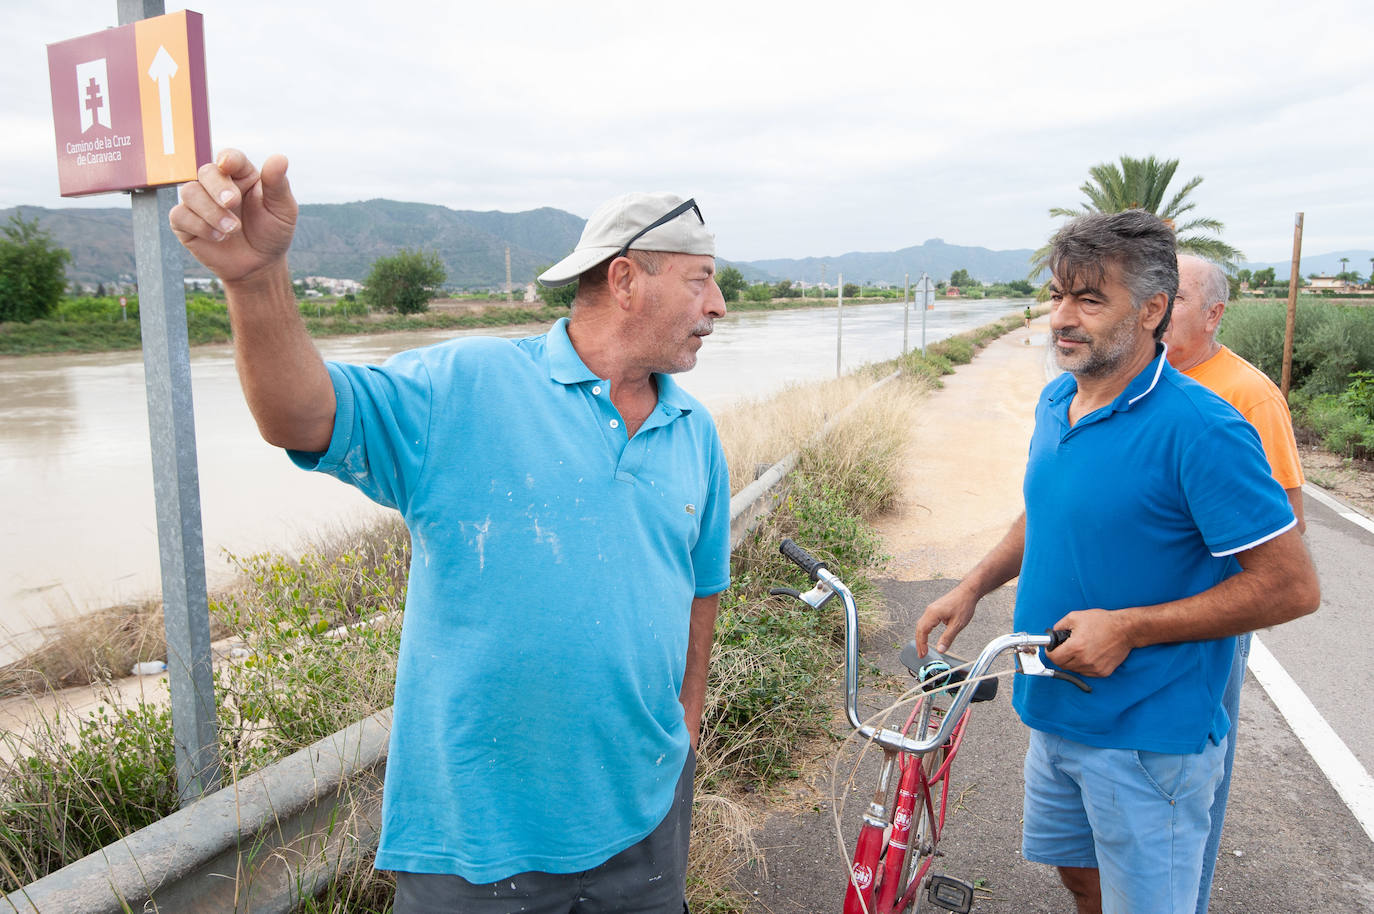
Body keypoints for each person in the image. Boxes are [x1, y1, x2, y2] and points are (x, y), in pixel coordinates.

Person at [169, 150, 732, 913]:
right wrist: (255, 278)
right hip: (476, 846)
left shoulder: (693, 431)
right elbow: (300, 416)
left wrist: (684, 732)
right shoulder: (467, 386)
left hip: (645, 825)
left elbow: (701, 591)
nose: (719, 304)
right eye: (701, 279)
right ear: (626, 279)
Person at [913, 210, 1320, 914]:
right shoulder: (1059, 399)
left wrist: (1129, 628)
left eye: (1090, 299)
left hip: (1149, 738)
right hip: (1053, 711)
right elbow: (1048, 510)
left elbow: (1292, 587)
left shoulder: (1203, 427)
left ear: (1153, 308)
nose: (1063, 318)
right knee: (1079, 875)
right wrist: (974, 586)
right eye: (1058, 297)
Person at [1163, 253, 1307, 914]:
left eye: (1179, 298)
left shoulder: (1248, 395)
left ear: (1216, 313)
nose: (1157, 307)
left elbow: (1288, 528)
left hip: (1204, 626)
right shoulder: (1139, 377)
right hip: (1131, 616)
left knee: (1196, 774)